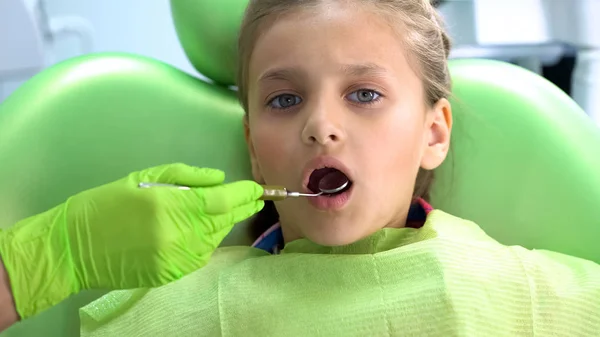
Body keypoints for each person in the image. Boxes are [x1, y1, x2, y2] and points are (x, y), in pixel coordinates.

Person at [2, 0, 600, 335]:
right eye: (284, 100)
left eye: (363, 94)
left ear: (434, 132)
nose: (320, 125)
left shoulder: (530, 295)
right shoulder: (167, 317)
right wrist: (52, 257)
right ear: (255, 149)